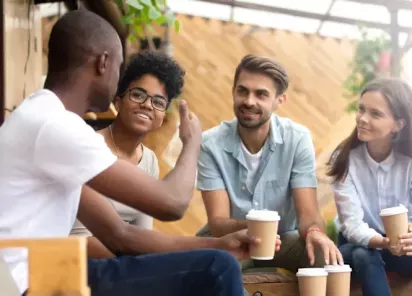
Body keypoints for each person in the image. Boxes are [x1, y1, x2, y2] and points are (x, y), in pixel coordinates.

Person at [0, 10, 281, 296]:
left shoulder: (45, 120)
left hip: (37, 274)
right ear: (104, 63)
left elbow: (121, 235)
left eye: (158, 102)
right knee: (217, 269)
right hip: (24, 283)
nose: (146, 104)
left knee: (215, 262)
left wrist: (219, 243)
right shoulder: (57, 126)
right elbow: (172, 204)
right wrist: (193, 142)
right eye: (120, 70)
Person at [196, 54, 343, 273]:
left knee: (321, 253)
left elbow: (308, 213)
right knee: (210, 268)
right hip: (229, 239)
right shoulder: (211, 143)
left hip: (282, 241)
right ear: (233, 91)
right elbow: (218, 222)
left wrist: (315, 232)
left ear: (279, 101)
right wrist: (258, 229)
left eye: (261, 94)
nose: (249, 101)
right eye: (243, 90)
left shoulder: (297, 139)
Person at [70, 51, 176, 258]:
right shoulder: (90, 146)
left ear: (163, 115)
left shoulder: (149, 160)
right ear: (118, 101)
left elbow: (144, 232)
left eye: (158, 102)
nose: (147, 105)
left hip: (125, 264)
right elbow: (77, 238)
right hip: (79, 264)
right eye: (138, 94)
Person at [327, 77, 412, 296]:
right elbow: (352, 225)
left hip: (403, 247)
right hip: (355, 247)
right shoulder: (344, 159)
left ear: (398, 124)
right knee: (364, 253)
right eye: (361, 109)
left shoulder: (409, 162)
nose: (362, 119)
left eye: (375, 114)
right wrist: (384, 242)